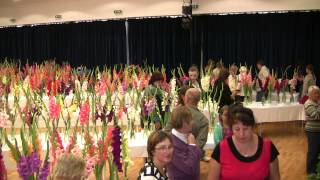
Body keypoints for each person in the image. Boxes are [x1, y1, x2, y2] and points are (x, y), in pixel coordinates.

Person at [207, 105, 280, 180]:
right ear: (231, 128)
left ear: (252, 127)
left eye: (245, 129)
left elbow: (275, 178)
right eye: (237, 129)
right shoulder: (221, 149)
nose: (241, 134)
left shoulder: (267, 147)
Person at [164, 88, 209, 161]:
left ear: (186, 98)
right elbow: (199, 145)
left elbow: (166, 133)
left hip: (173, 157)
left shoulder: (177, 113)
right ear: (198, 101)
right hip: (192, 160)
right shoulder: (204, 120)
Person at [167, 106, 201, 180]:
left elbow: (198, 155)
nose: (193, 122)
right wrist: (192, 145)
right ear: (184, 123)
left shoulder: (188, 135)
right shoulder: (171, 143)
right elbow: (189, 168)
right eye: (191, 120)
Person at [304, 85, 320, 175]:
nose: (318, 95)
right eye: (315, 93)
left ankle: (316, 169)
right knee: (313, 152)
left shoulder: (317, 103)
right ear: (309, 94)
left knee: (317, 152)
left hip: (317, 131)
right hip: (312, 131)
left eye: (318, 93)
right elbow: (316, 116)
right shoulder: (308, 103)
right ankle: (310, 172)